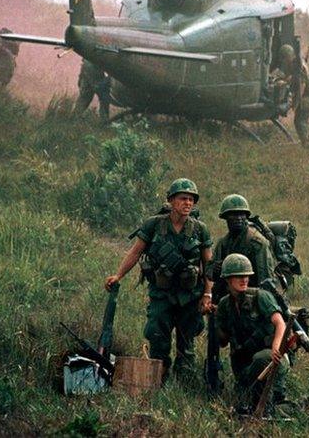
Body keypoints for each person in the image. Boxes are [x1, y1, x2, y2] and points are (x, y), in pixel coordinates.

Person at [104, 178, 214, 383]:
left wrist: (207, 294)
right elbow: (135, 252)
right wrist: (118, 275)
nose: (188, 203)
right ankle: (159, 380)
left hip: (189, 297)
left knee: (186, 344)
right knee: (157, 338)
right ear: (171, 200)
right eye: (183, 198)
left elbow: (209, 265)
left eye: (191, 199)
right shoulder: (154, 225)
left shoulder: (200, 229)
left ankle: (185, 384)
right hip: (161, 296)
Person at [214, 253, 290, 416]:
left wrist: (276, 347)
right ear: (228, 279)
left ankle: (269, 406)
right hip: (244, 366)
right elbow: (222, 342)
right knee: (243, 398)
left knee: (262, 358)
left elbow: (280, 323)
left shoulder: (260, 297)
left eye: (247, 276)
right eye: (239, 276)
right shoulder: (225, 305)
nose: (244, 280)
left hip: (271, 360)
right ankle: (259, 404)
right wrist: (216, 321)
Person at [271, 44, 309, 148]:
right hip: (305, 97)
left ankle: (308, 145)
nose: (283, 60)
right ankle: (307, 143)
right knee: (301, 121)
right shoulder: (294, 65)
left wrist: (296, 103)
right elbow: (283, 75)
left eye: (284, 57)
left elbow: (302, 85)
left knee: (300, 122)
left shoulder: (298, 67)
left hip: (305, 99)